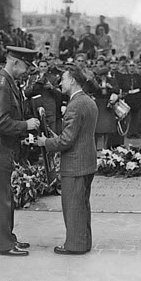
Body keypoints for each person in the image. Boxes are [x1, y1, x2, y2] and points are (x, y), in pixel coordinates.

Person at [0, 46, 40, 257]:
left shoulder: (7, 83)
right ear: (15, 62)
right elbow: (0, 122)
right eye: (25, 66)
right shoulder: (2, 85)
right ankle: (3, 244)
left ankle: (8, 237)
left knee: (6, 193)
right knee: (0, 195)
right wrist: (27, 125)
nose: (26, 71)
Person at [36, 64, 98, 255]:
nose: (59, 83)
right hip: (86, 161)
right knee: (82, 205)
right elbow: (76, 134)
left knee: (72, 206)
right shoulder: (88, 101)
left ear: (72, 80)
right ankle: (83, 242)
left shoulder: (74, 105)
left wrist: (46, 142)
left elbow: (67, 140)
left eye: (62, 79)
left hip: (74, 164)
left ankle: (75, 245)